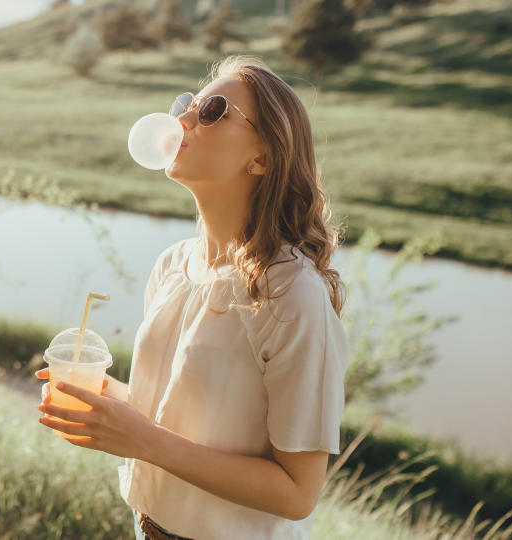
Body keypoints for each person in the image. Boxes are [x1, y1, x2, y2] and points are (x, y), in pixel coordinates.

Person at [36, 56, 349, 540]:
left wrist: (143, 441)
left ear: (262, 157)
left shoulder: (293, 295)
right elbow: (173, 418)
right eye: (187, 104)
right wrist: (103, 400)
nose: (181, 119)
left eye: (212, 110)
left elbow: (297, 493)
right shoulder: (173, 266)